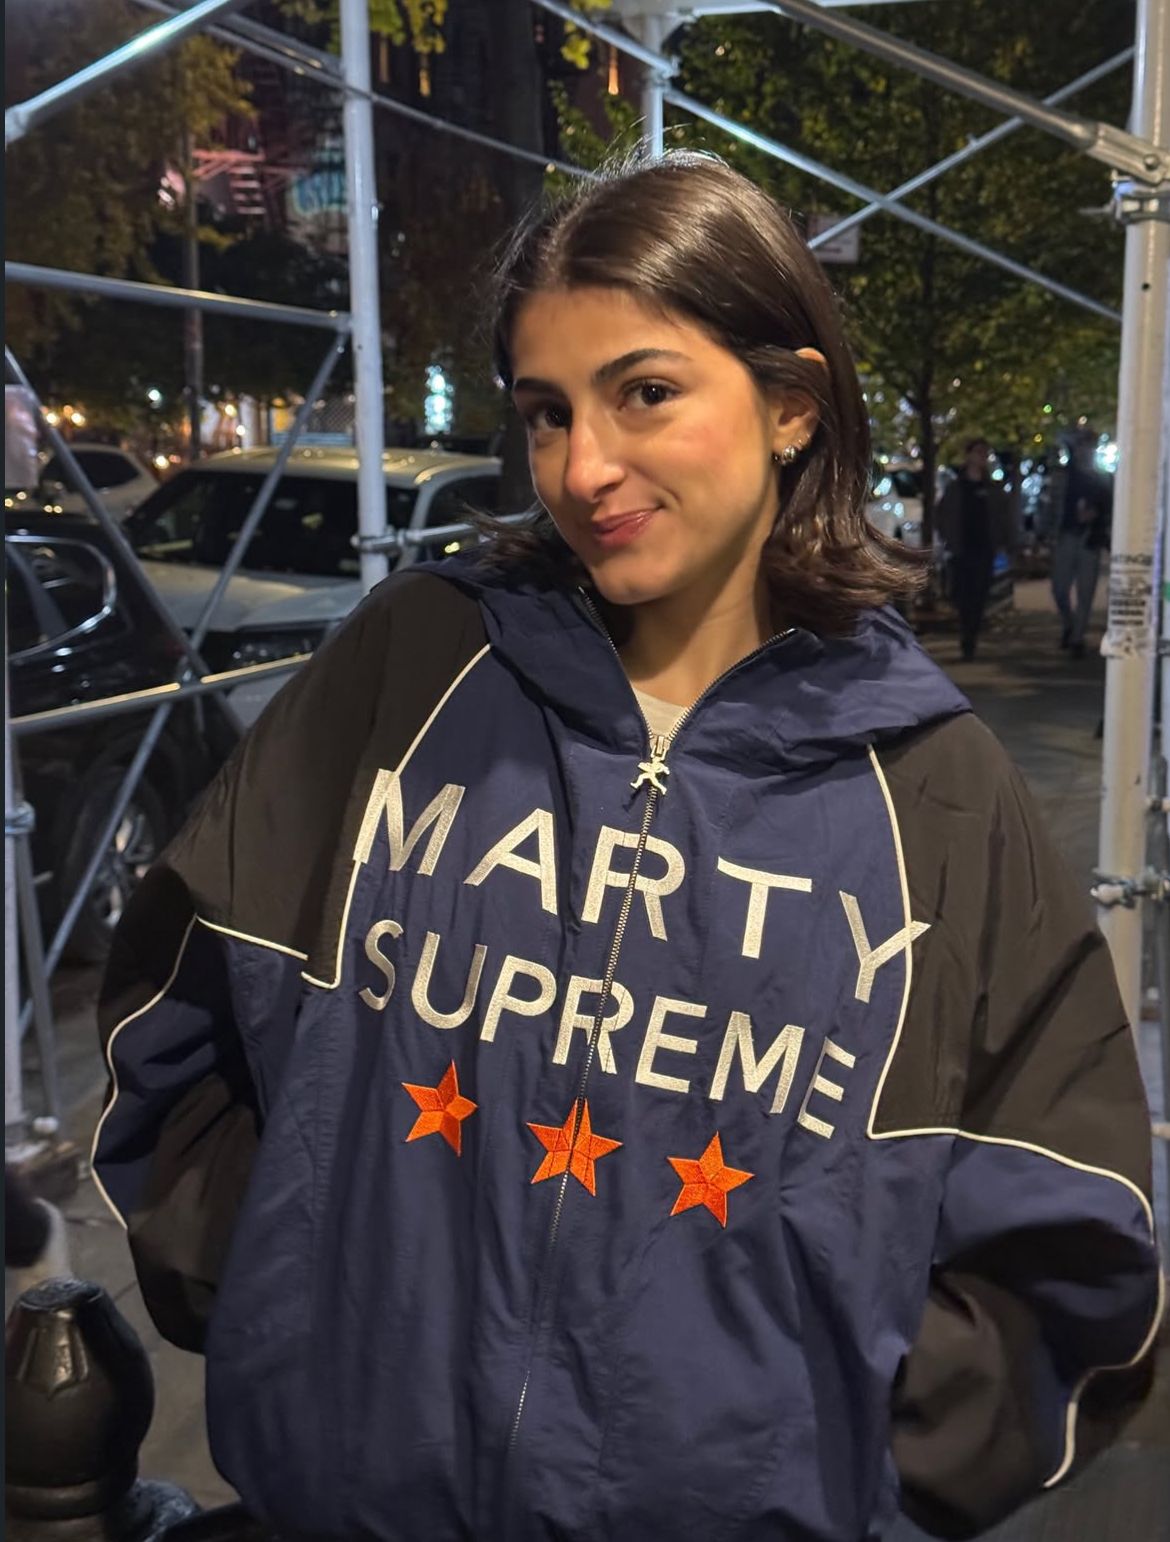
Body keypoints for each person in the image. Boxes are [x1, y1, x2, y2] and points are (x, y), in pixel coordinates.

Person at [92, 155, 1160, 1542]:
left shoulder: (931, 793)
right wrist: (302, 1315)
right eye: (547, 411)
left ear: (791, 404)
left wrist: (830, 1471)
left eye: (643, 392)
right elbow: (173, 1018)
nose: (583, 467)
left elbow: (1071, 1235)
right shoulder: (413, 671)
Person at [935, 437, 1015, 660]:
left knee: (979, 595)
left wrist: (1005, 543)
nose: (981, 457)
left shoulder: (992, 489)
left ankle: (970, 639)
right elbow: (941, 515)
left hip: (984, 549)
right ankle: (966, 630)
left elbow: (1004, 517)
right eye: (978, 452)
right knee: (961, 594)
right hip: (961, 550)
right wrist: (948, 538)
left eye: (984, 453)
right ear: (968, 455)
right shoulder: (956, 488)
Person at [1051, 428, 1113, 659]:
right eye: (1081, 446)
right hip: (1067, 535)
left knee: (1086, 592)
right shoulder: (1064, 476)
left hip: (1090, 539)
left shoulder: (1103, 479)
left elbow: (1111, 509)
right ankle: (1069, 624)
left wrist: (1096, 515)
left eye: (1088, 446)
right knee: (1059, 588)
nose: (1084, 451)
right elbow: (1051, 507)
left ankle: (1077, 637)